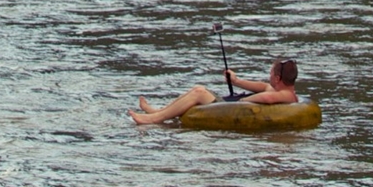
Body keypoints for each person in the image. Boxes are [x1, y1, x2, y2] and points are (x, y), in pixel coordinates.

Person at [128, 57, 299, 125]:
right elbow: (262, 86)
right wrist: (236, 81)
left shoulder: (285, 95)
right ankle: (157, 111)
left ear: (277, 78)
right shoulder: (279, 88)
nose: (268, 77)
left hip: (232, 109)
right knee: (197, 89)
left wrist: (241, 101)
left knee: (199, 93)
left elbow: (268, 97)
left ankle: (154, 119)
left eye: (271, 73)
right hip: (234, 104)